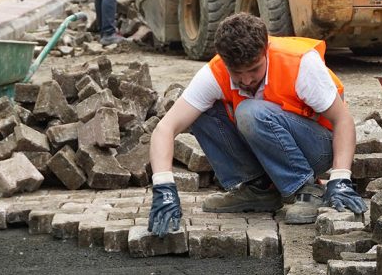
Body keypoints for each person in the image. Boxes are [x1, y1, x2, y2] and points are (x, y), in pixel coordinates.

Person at [146, 13, 367, 236]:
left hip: (316, 148)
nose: (247, 80)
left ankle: (307, 189)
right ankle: (259, 189)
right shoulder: (215, 72)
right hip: (269, 149)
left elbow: (343, 121)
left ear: (265, 51)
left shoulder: (300, 63)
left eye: (254, 69)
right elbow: (165, 128)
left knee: (249, 112)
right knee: (201, 111)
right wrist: (164, 188)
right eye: (237, 73)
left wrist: (340, 179)